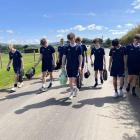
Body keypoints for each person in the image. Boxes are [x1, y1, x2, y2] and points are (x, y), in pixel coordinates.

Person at [62, 33, 82, 99]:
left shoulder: (79, 47)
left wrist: (80, 65)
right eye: (69, 39)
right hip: (69, 66)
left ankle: (72, 92)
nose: (71, 40)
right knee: (70, 81)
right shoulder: (66, 47)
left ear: (74, 38)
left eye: (72, 39)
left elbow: (80, 57)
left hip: (76, 66)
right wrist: (63, 66)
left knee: (73, 80)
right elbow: (64, 57)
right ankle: (73, 90)